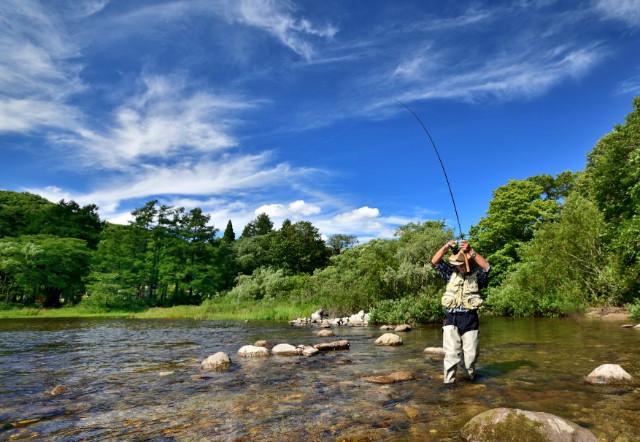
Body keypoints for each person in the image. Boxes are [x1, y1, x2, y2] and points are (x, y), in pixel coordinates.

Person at [431, 239, 491, 384]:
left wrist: (470, 251)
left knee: (471, 357)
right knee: (451, 354)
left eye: (461, 264)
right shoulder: (449, 273)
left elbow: (487, 267)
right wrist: (445, 247)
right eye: (457, 264)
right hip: (451, 318)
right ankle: (448, 384)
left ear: (468, 262)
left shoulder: (478, 276)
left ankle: (469, 380)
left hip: (470, 319)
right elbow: (435, 261)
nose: (459, 267)